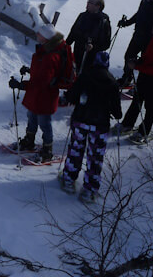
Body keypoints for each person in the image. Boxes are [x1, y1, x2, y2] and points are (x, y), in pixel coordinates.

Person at [60, 51, 123, 204]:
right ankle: (90, 189)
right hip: (100, 125)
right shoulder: (112, 82)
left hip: (81, 120)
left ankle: (69, 179)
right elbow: (117, 112)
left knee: (76, 149)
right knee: (95, 157)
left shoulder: (85, 76)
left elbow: (72, 97)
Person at [8, 23, 69, 162]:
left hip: (45, 96)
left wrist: (21, 85)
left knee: (44, 123)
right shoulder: (45, 51)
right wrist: (29, 71)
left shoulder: (50, 56)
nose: (37, 34)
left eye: (40, 33)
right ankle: (29, 140)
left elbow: (43, 81)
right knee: (32, 117)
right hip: (37, 95)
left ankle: (47, 149)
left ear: (46, 38)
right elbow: (41, 74)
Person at [111, 20, 153, 144]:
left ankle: (144, 131)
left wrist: (136, 66)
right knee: (137, 100)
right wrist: (138, 61)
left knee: (150, 106)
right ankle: (127, 124)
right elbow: (146, 57)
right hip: (143, 76)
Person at [66, 0, 112, 74]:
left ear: (98, 6)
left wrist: (93, 47)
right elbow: (73, 32)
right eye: (88, 2)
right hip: (78, 51)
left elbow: (106, 42)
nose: (87, 4)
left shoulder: (103, 20)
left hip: (92, 57)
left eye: (90, 3)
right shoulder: (82, 16)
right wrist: (66, 44)